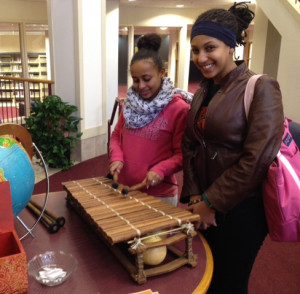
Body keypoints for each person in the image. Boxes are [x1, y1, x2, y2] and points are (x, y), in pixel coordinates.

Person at [180, 2, 284, 293]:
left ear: (230, 46)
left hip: (242, 211)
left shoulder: (261, 87)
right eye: (196, 50)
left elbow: (258, 158)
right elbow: (189, 143)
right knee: (204, 277)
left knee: (229, 283)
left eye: (210, 48)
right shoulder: (203, 90)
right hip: (202, 202)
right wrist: (195, 195)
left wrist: (211, 202)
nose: (201, 57)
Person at [109, 33, 191, 206]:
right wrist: (116, 156)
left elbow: (182, 154)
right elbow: (117, 135)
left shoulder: (179, 109)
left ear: (162, 72)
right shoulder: (130, 103)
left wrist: (160, 170)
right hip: (123, 190)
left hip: (159, 195)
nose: (141, 86)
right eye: (135, 80)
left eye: (147, 79)